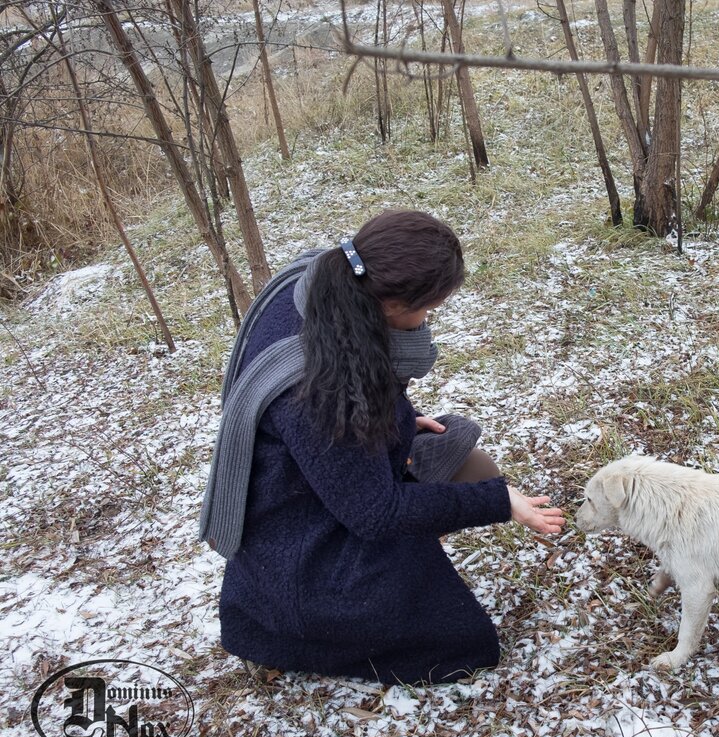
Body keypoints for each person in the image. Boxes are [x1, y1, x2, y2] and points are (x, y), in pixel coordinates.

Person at [199, 209, 564, 685]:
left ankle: (404, 569)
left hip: (314, 486)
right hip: (298, 548)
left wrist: (400, 418)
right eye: (428, 309)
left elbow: (351, 401)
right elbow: (374, 511)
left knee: (466, 458)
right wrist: (500, 501)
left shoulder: (323, 283)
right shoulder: (319, 388)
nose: (428, 320)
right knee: (463, 645)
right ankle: (298, 628)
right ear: (391, 305)